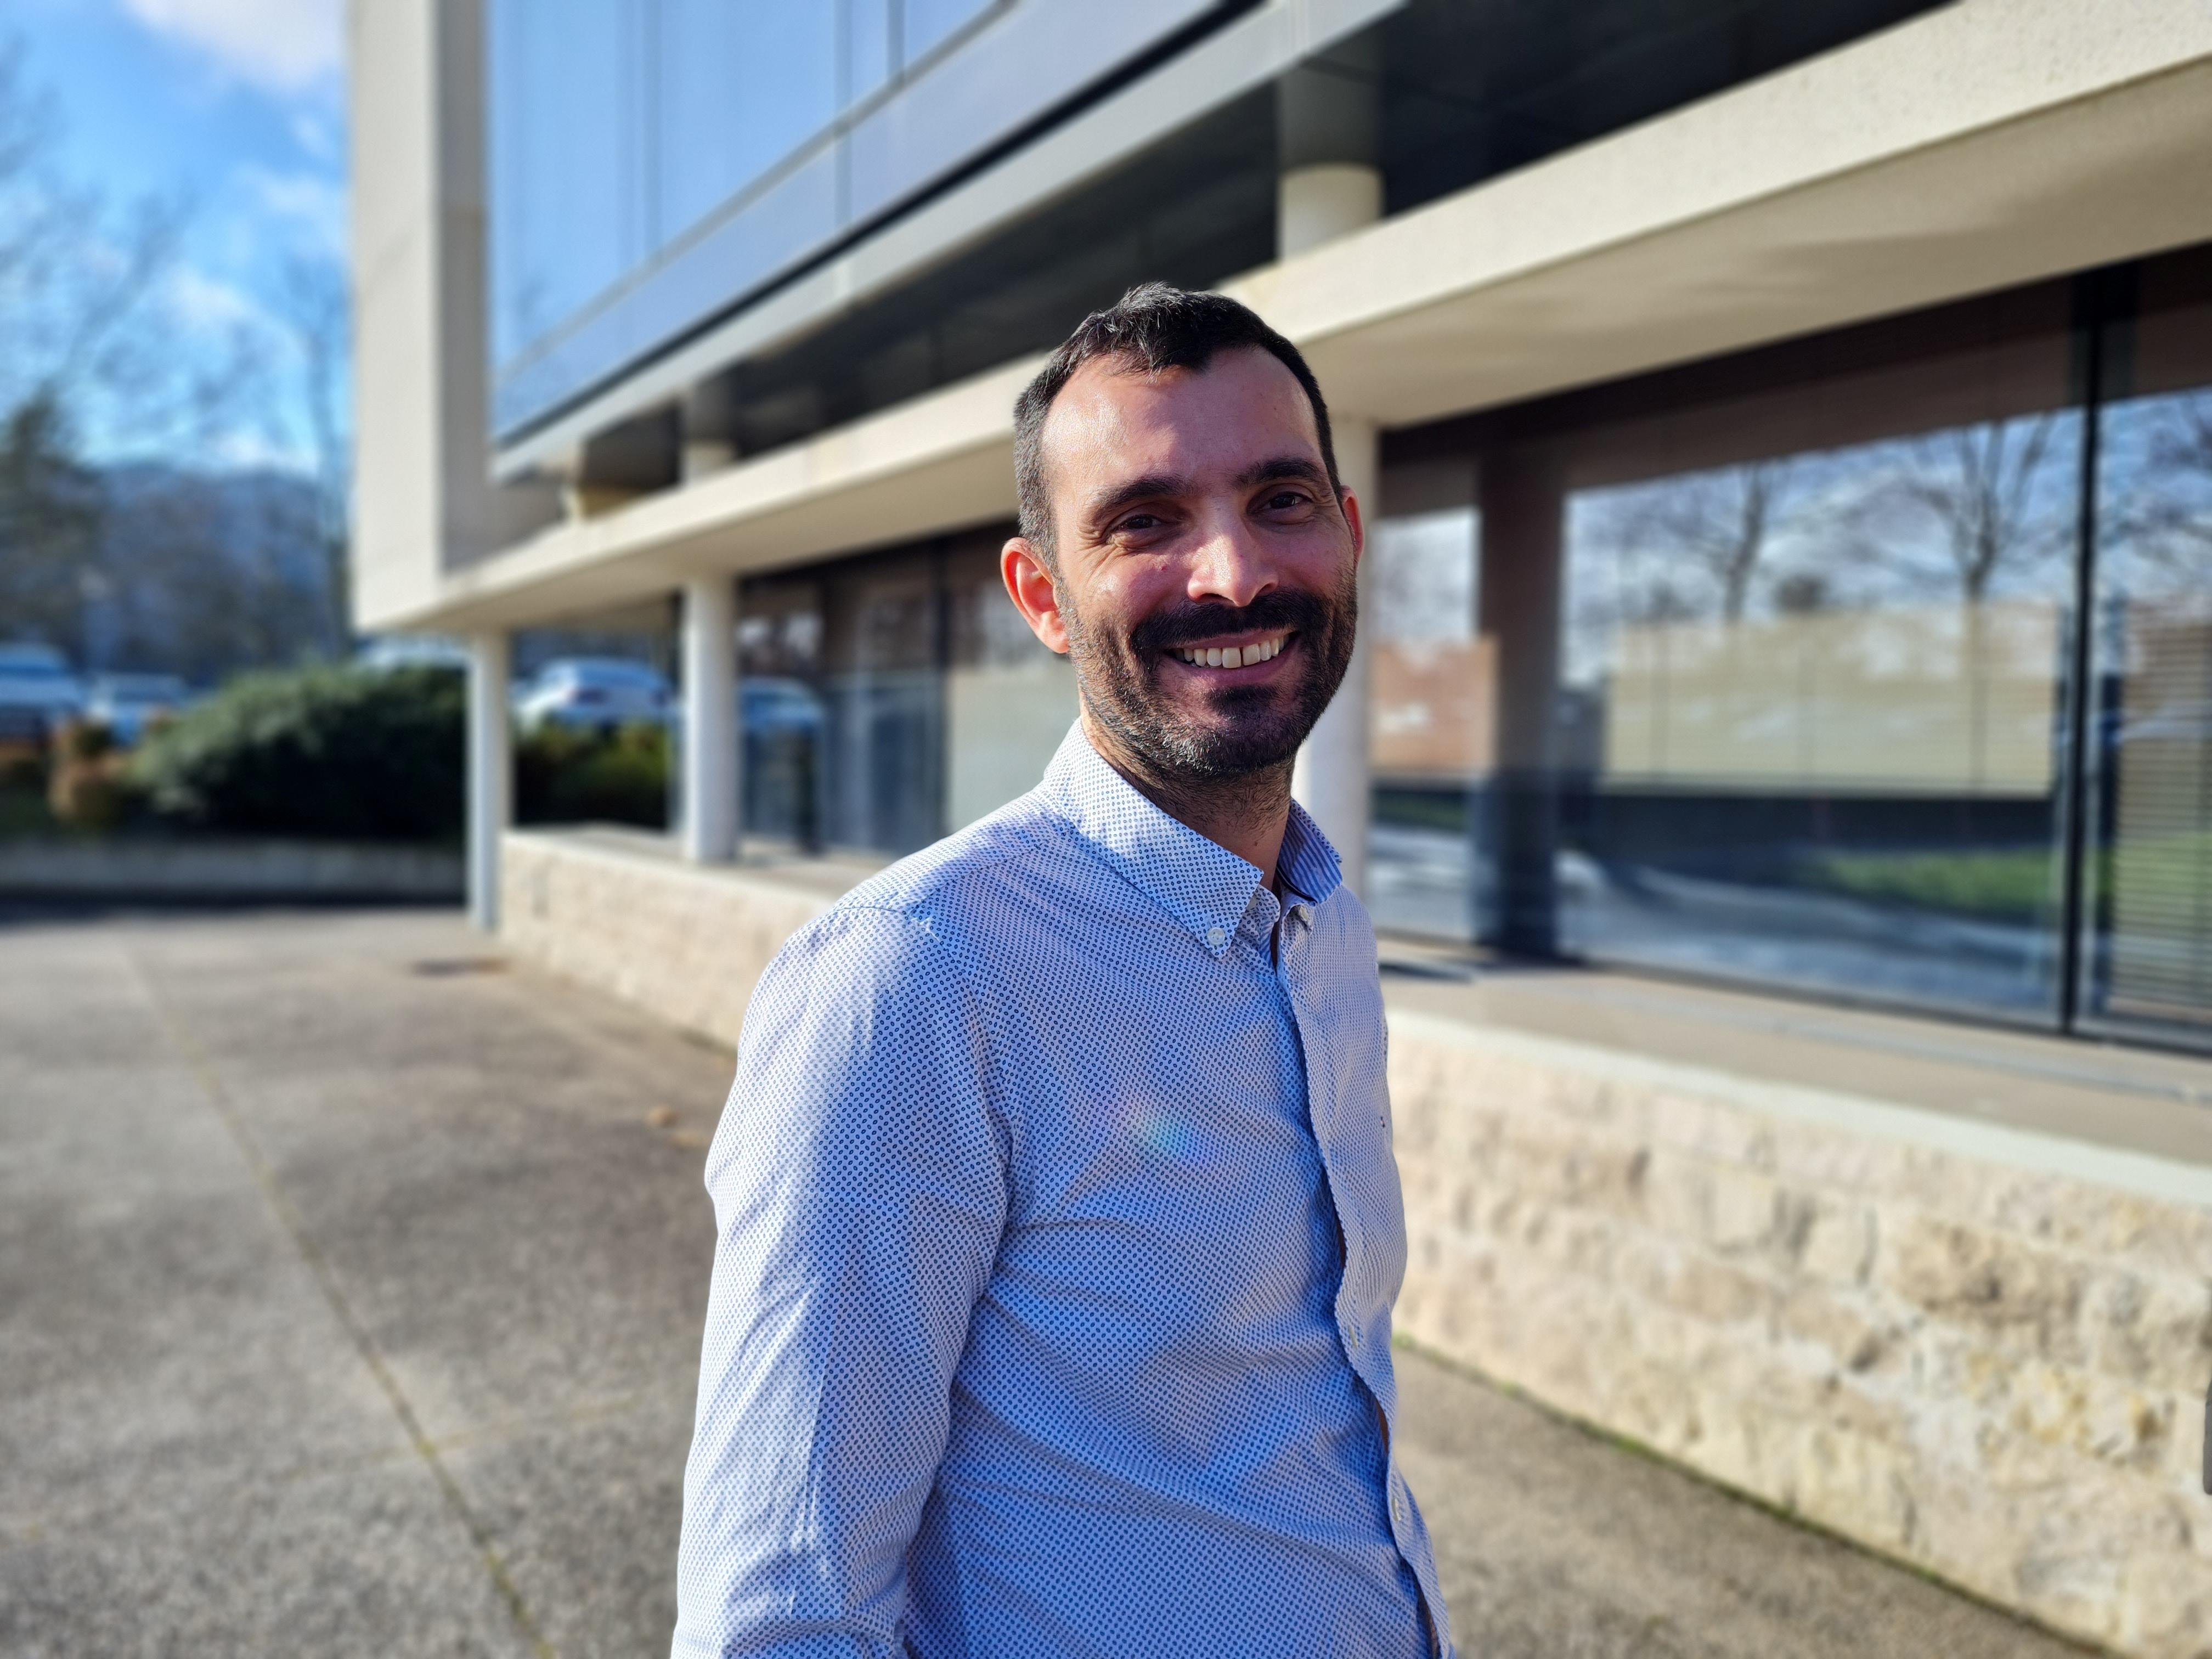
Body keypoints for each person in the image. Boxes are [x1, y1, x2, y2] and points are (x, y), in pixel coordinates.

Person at [672, 283, 1451, 1659]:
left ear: (1346, 533)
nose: (1234, 574)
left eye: (1280, 500)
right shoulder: (914, 984)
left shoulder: (1319, 922)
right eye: (1146, 522)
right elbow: (782, 1616)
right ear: (1042, 596)